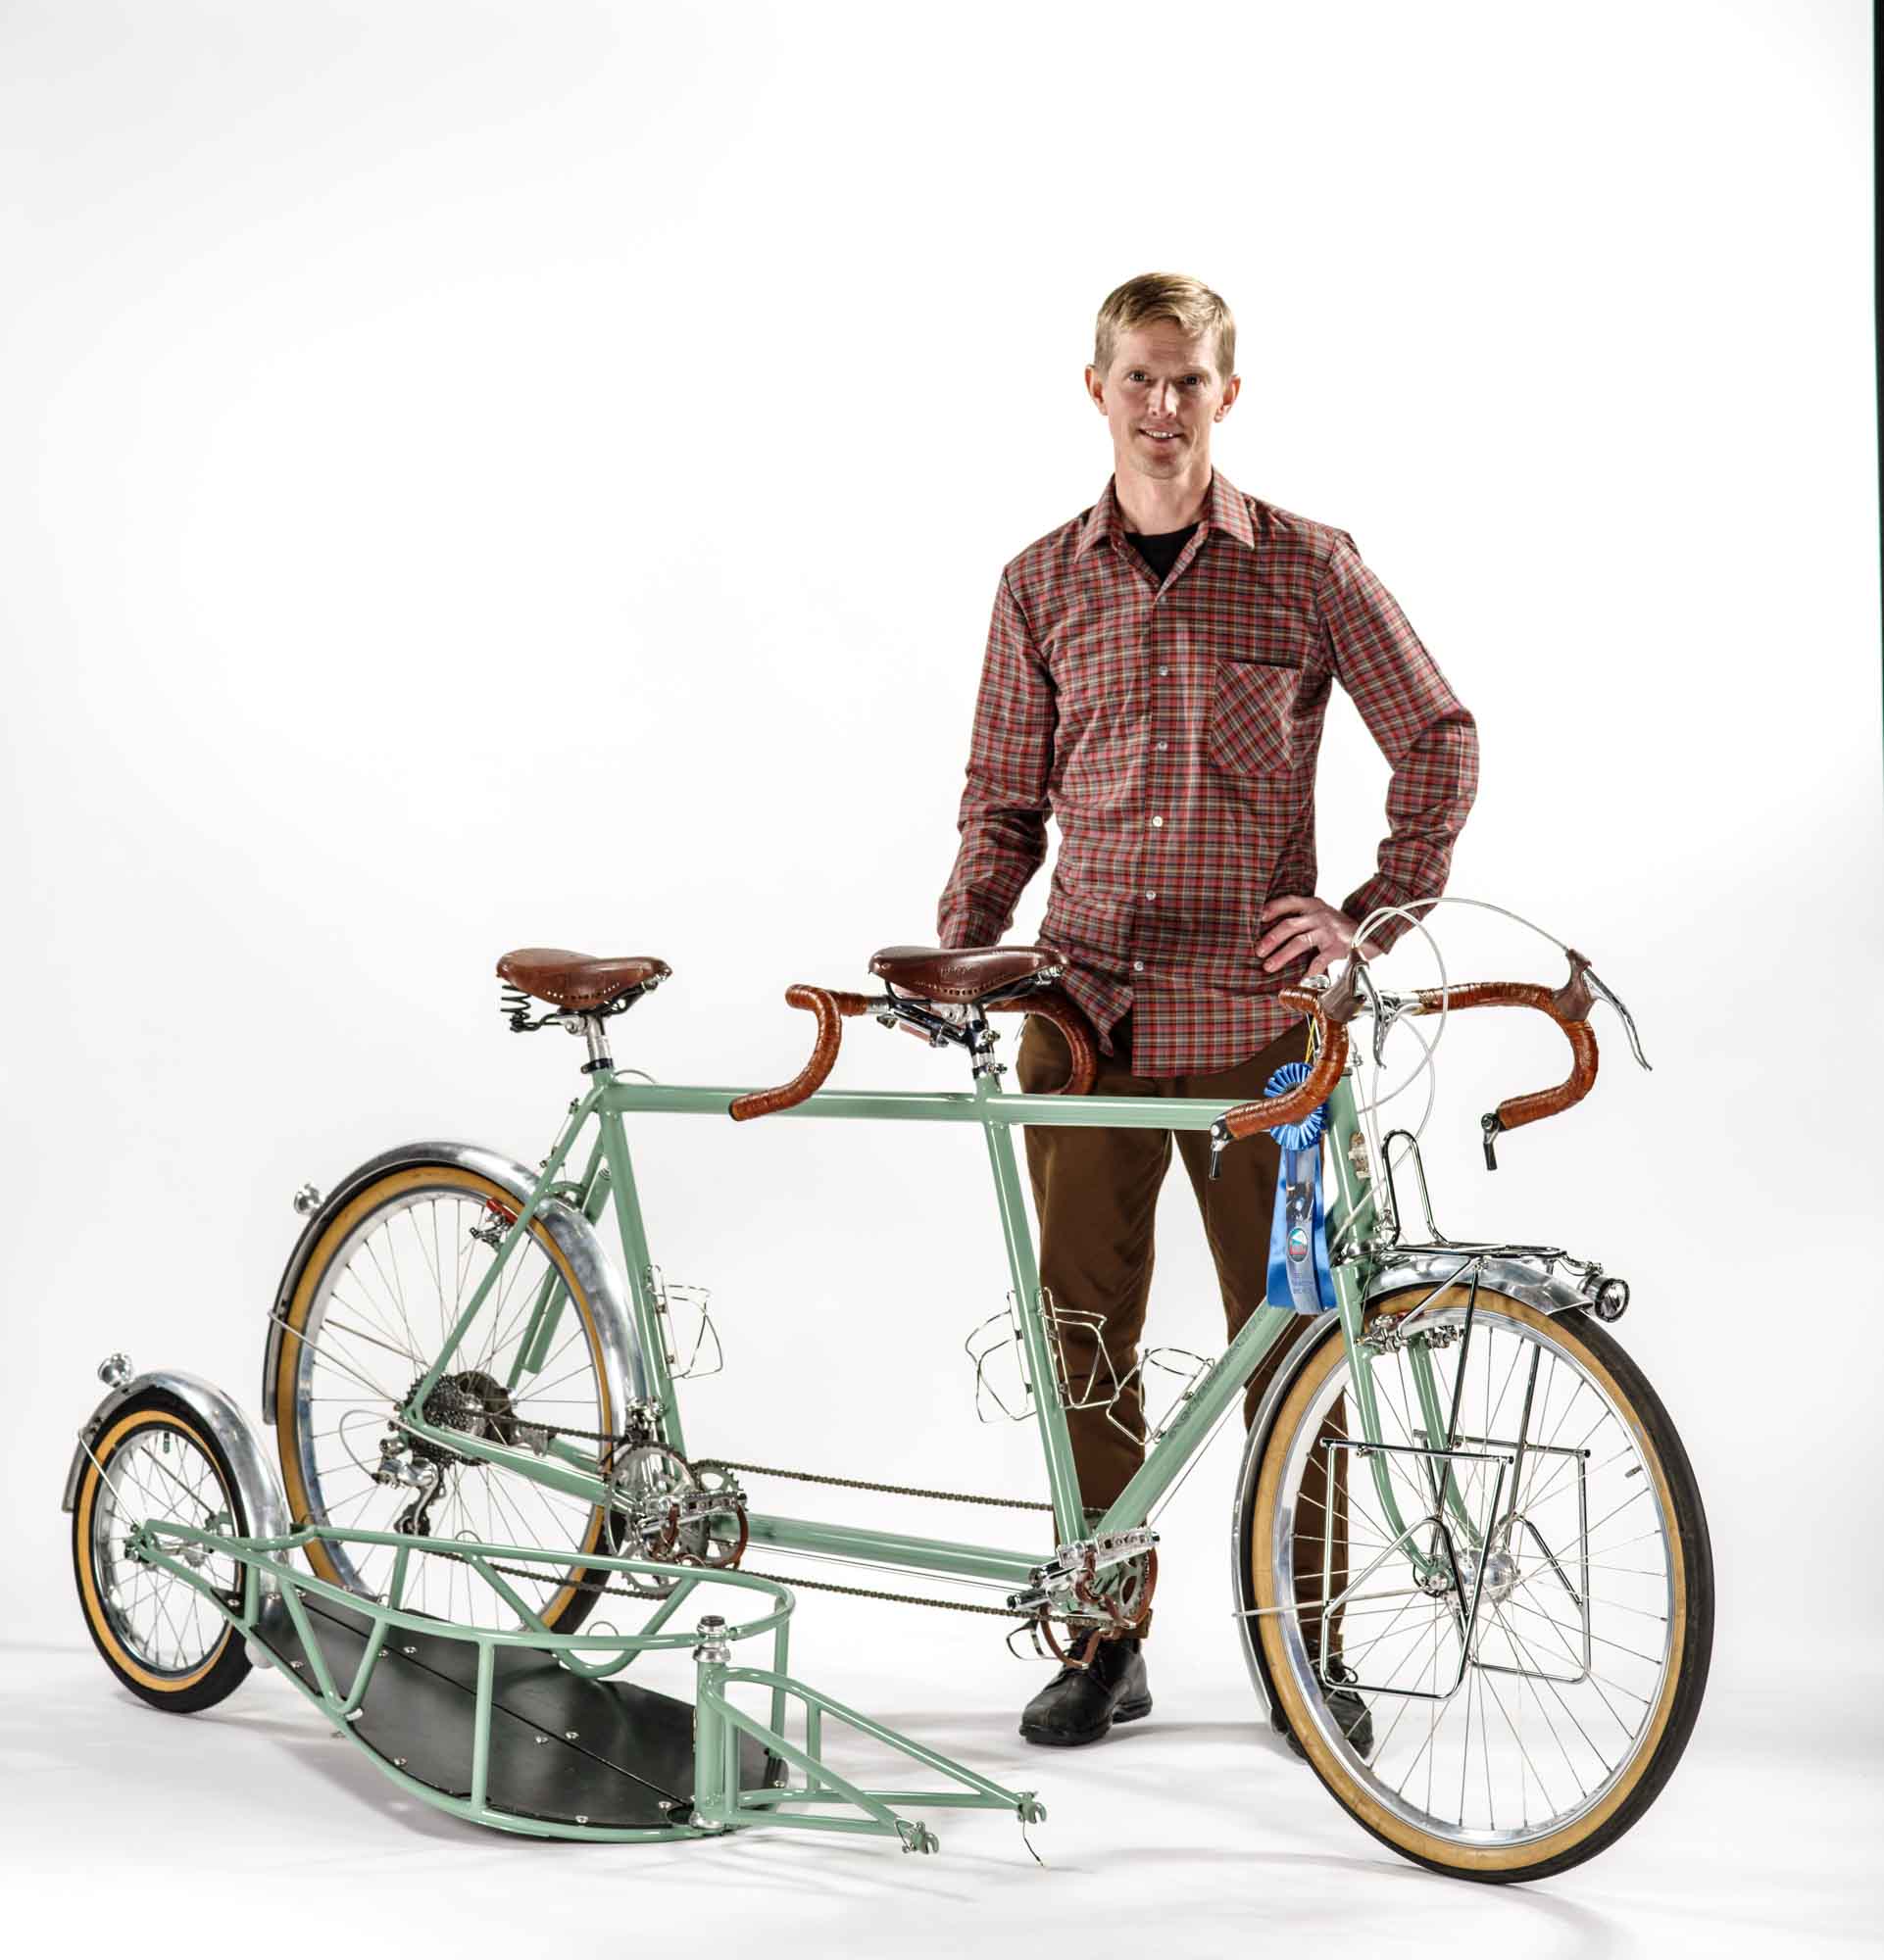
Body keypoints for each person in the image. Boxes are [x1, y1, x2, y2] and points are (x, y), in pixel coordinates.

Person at [933, 271, 1479, 1749]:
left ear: (1227, 394)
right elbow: (1001, 802)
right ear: (1096, 388)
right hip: (1083, 1020)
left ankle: (1311, 1651)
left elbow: (1435, 735)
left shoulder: (1309, 566)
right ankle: (1105, 1640)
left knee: (1296, 1348)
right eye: (1139, 377)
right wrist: (962, 955)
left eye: (1188, 380)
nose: (1162, 405)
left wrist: (1373, 909)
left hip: (1257, 1034)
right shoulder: (1038, 583)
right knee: (1083, 1338)